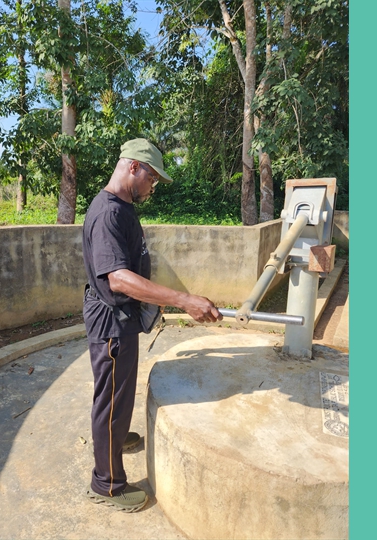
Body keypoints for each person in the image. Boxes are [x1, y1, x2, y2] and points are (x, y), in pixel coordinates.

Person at [81, 138, 222, 512]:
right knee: (110, 398)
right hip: (111, 321)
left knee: (120, 389)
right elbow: (118, 279)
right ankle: (107, 484)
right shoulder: (107, 213)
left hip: (122, 319)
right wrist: (184, 299)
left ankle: (116, 433)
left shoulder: (123, 207)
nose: (153, 186)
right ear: (133, 168)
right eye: (152, 178)